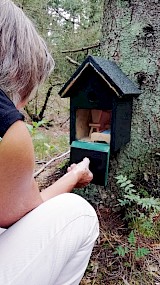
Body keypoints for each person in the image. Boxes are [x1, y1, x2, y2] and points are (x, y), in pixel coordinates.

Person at [0, 1, 99, 284]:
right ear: (22, 73)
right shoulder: (8, 130)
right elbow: (23, 212)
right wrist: (75, 177)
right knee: (78, 213)